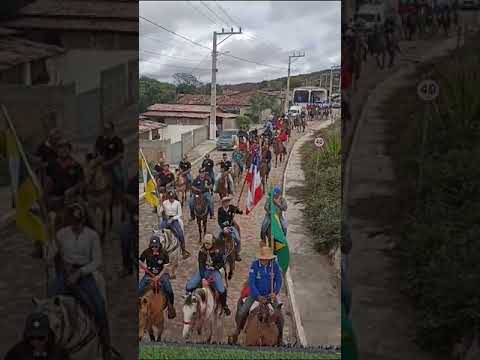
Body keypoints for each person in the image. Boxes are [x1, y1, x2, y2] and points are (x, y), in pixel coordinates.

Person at [47, 203, 110, 356]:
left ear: (83, 221)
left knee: (99, 307)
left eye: (79, 222)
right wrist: (48, 245)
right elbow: (50, 256)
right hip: (65, 273)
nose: (77, 226)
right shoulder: (61, 234)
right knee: (49, 304)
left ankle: (105, 344)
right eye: (74, 223)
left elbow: (97, 261)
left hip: (84, 274)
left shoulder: (92, 236)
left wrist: (80, 272)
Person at [233, 246, 284, 344]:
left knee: (280, 316)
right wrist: (258, 296)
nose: (265, 261)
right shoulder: (254, 265)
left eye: (267, 259)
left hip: (270, 295)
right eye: (263, 259)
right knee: (242, 312)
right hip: (255, 295)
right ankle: (237, 330)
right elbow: (251, 283)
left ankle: (280, 338)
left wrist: (275, 292)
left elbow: (279, 280)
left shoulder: (275, 265)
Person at [185, 234, 230, 316]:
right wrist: (203, 278)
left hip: (214, 272)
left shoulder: (218, 251)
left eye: (208, 243)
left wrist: (215, 267)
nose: (207, 245)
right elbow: (201, 265)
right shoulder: (202, 251)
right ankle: (189, 302)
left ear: (212, 243)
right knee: (189, 285)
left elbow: (222, 262)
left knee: (221, 289)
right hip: (203, 271)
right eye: (205, 243)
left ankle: (224, 305)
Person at [138, 235, 176, 319]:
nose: (154, 248)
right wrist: (143, 267)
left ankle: (171, 307)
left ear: (159, 245)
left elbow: (165, 268)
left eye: (156, 246)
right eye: (152, 246)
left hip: (162, 275)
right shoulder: (146, 252)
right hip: (149, 274)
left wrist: (158, 276)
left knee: (169, 290)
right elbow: (140, 260)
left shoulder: (164, 253)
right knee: (139, 289)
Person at [4, 312, 69, 360]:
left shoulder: (60, 355)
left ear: (48, 336)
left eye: (41, 338)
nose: (36, 342)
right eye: (32, 338)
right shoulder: (16, 354)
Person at [95, 121, 125, 194]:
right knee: (89, 171)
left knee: (119, 177)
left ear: (112, 129)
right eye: (105, 129)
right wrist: (99, 158)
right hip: (101, 162)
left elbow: (120, 155)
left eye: (108, 129)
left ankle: (120, 193)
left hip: (114, 163)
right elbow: (96, 150)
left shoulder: (117, 140)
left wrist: (109, 162)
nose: (106, 131)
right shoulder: (100, 139)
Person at [160, 190, 190, 259]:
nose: (171, 199)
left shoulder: (177, 203)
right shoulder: (164, 203)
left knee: (180, 233)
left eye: (172, 198)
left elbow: (179, 214)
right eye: (170, 198)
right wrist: (161, 210)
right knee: (160, 231)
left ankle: (183, 251)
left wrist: (172, 219)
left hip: (174, 220)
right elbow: (160, 213)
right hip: (166, 219)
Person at [118, 176, 138, 278]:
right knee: (123, 234)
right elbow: (126, 197)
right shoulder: (133, 181)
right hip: (132, 216)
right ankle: (127, 266)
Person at [216, 196, 243, 262]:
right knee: (218, 239)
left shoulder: (231, 207)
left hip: (231, 226)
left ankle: (237, 253)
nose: (227, 203)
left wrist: (239, 209)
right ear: (223, 203)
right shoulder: (220, 210)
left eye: (228, 201)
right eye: (225, 202)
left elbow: (240, 212)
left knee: (238, 239)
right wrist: (223, 227)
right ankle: (218, 252)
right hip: (223, 227)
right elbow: (219, 221)